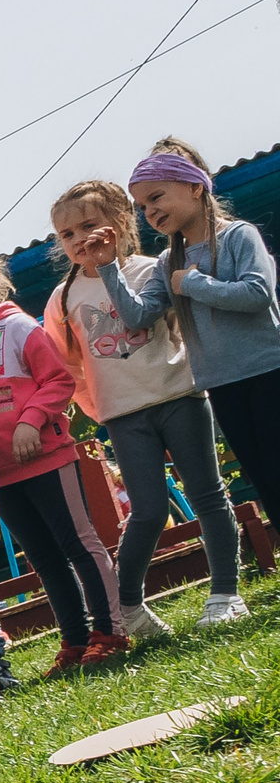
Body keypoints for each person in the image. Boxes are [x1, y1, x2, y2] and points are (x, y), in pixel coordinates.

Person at [43, 179, 238, 643]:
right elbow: (66, 364)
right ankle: (128, 606)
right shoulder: (63, 298)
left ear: (122, 223)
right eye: (67, 234)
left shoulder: (154, 269)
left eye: (88, 225)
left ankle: (226, 594)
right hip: (124, 415)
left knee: (208, 495)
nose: (78, 239)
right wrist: (99, 406)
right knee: (147, 511)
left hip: (180, 397)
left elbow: (177, 327)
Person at [0, 233, 123, 674]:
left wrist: (28, 421)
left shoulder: (20, 328)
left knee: (78, 542)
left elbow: (59, 380)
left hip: (46, 457)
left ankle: (109, 630)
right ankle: (74, 641)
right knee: (43, 558)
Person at [105, 138, 280, 581]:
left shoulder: (239, 236)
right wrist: (109, 268)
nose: (150, 212)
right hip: (222, 384)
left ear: (195, 187)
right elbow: (138, 316)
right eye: (143, 206)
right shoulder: (169, 262)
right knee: (263, 476)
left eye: (156, 197)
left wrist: (194, 283)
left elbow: (258, 295)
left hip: (269, 372)